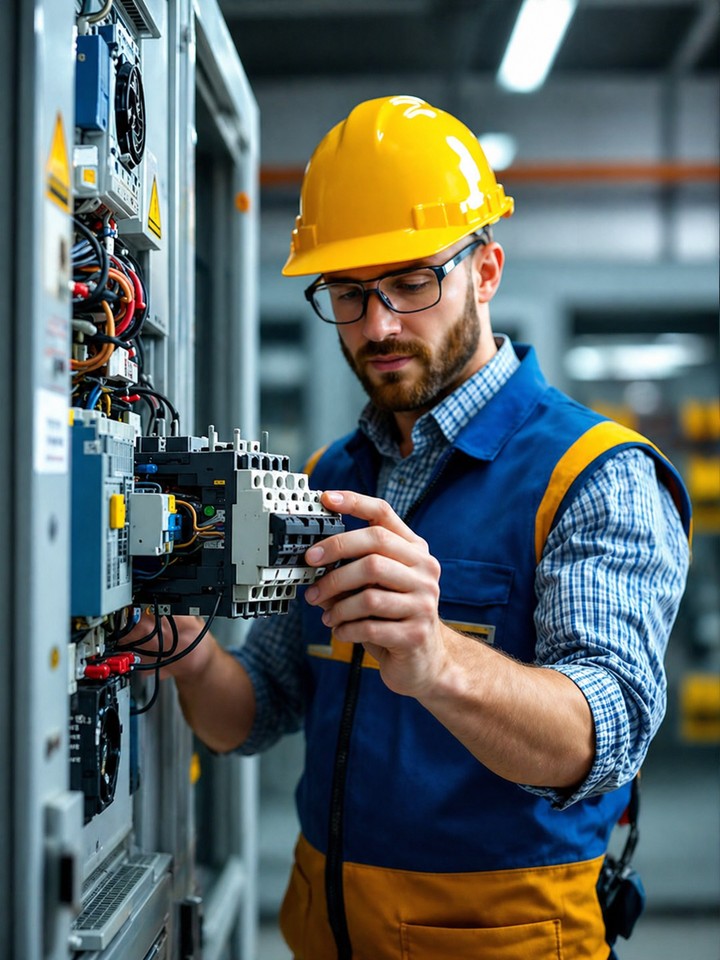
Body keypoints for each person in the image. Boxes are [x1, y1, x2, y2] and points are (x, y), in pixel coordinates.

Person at [130, 96, 691, 960]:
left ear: (487, 269)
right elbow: (258, 713)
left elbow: (606, 735)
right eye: (349, 293)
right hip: (325, 935)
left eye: (412, 280)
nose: (380, 323)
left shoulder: (595, 475)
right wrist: (189, 651)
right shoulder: (329, 477)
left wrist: (434, 659)